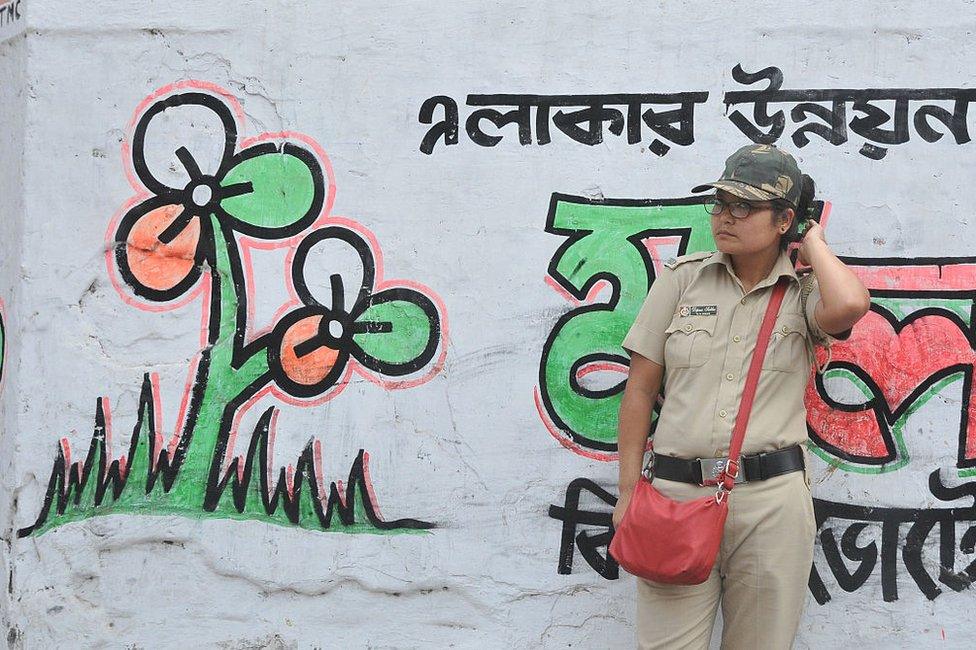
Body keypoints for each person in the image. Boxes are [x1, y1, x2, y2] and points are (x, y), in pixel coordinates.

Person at [613, 144, 870, 649]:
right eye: (722, 203)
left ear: (784, 221)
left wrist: (811, 240)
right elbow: (640, 391)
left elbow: (850, 304)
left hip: (771, 505)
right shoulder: (683, 280)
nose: (725, 217)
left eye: (745, 206)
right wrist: (626, 493)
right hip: (674, 498)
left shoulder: (803, 293)